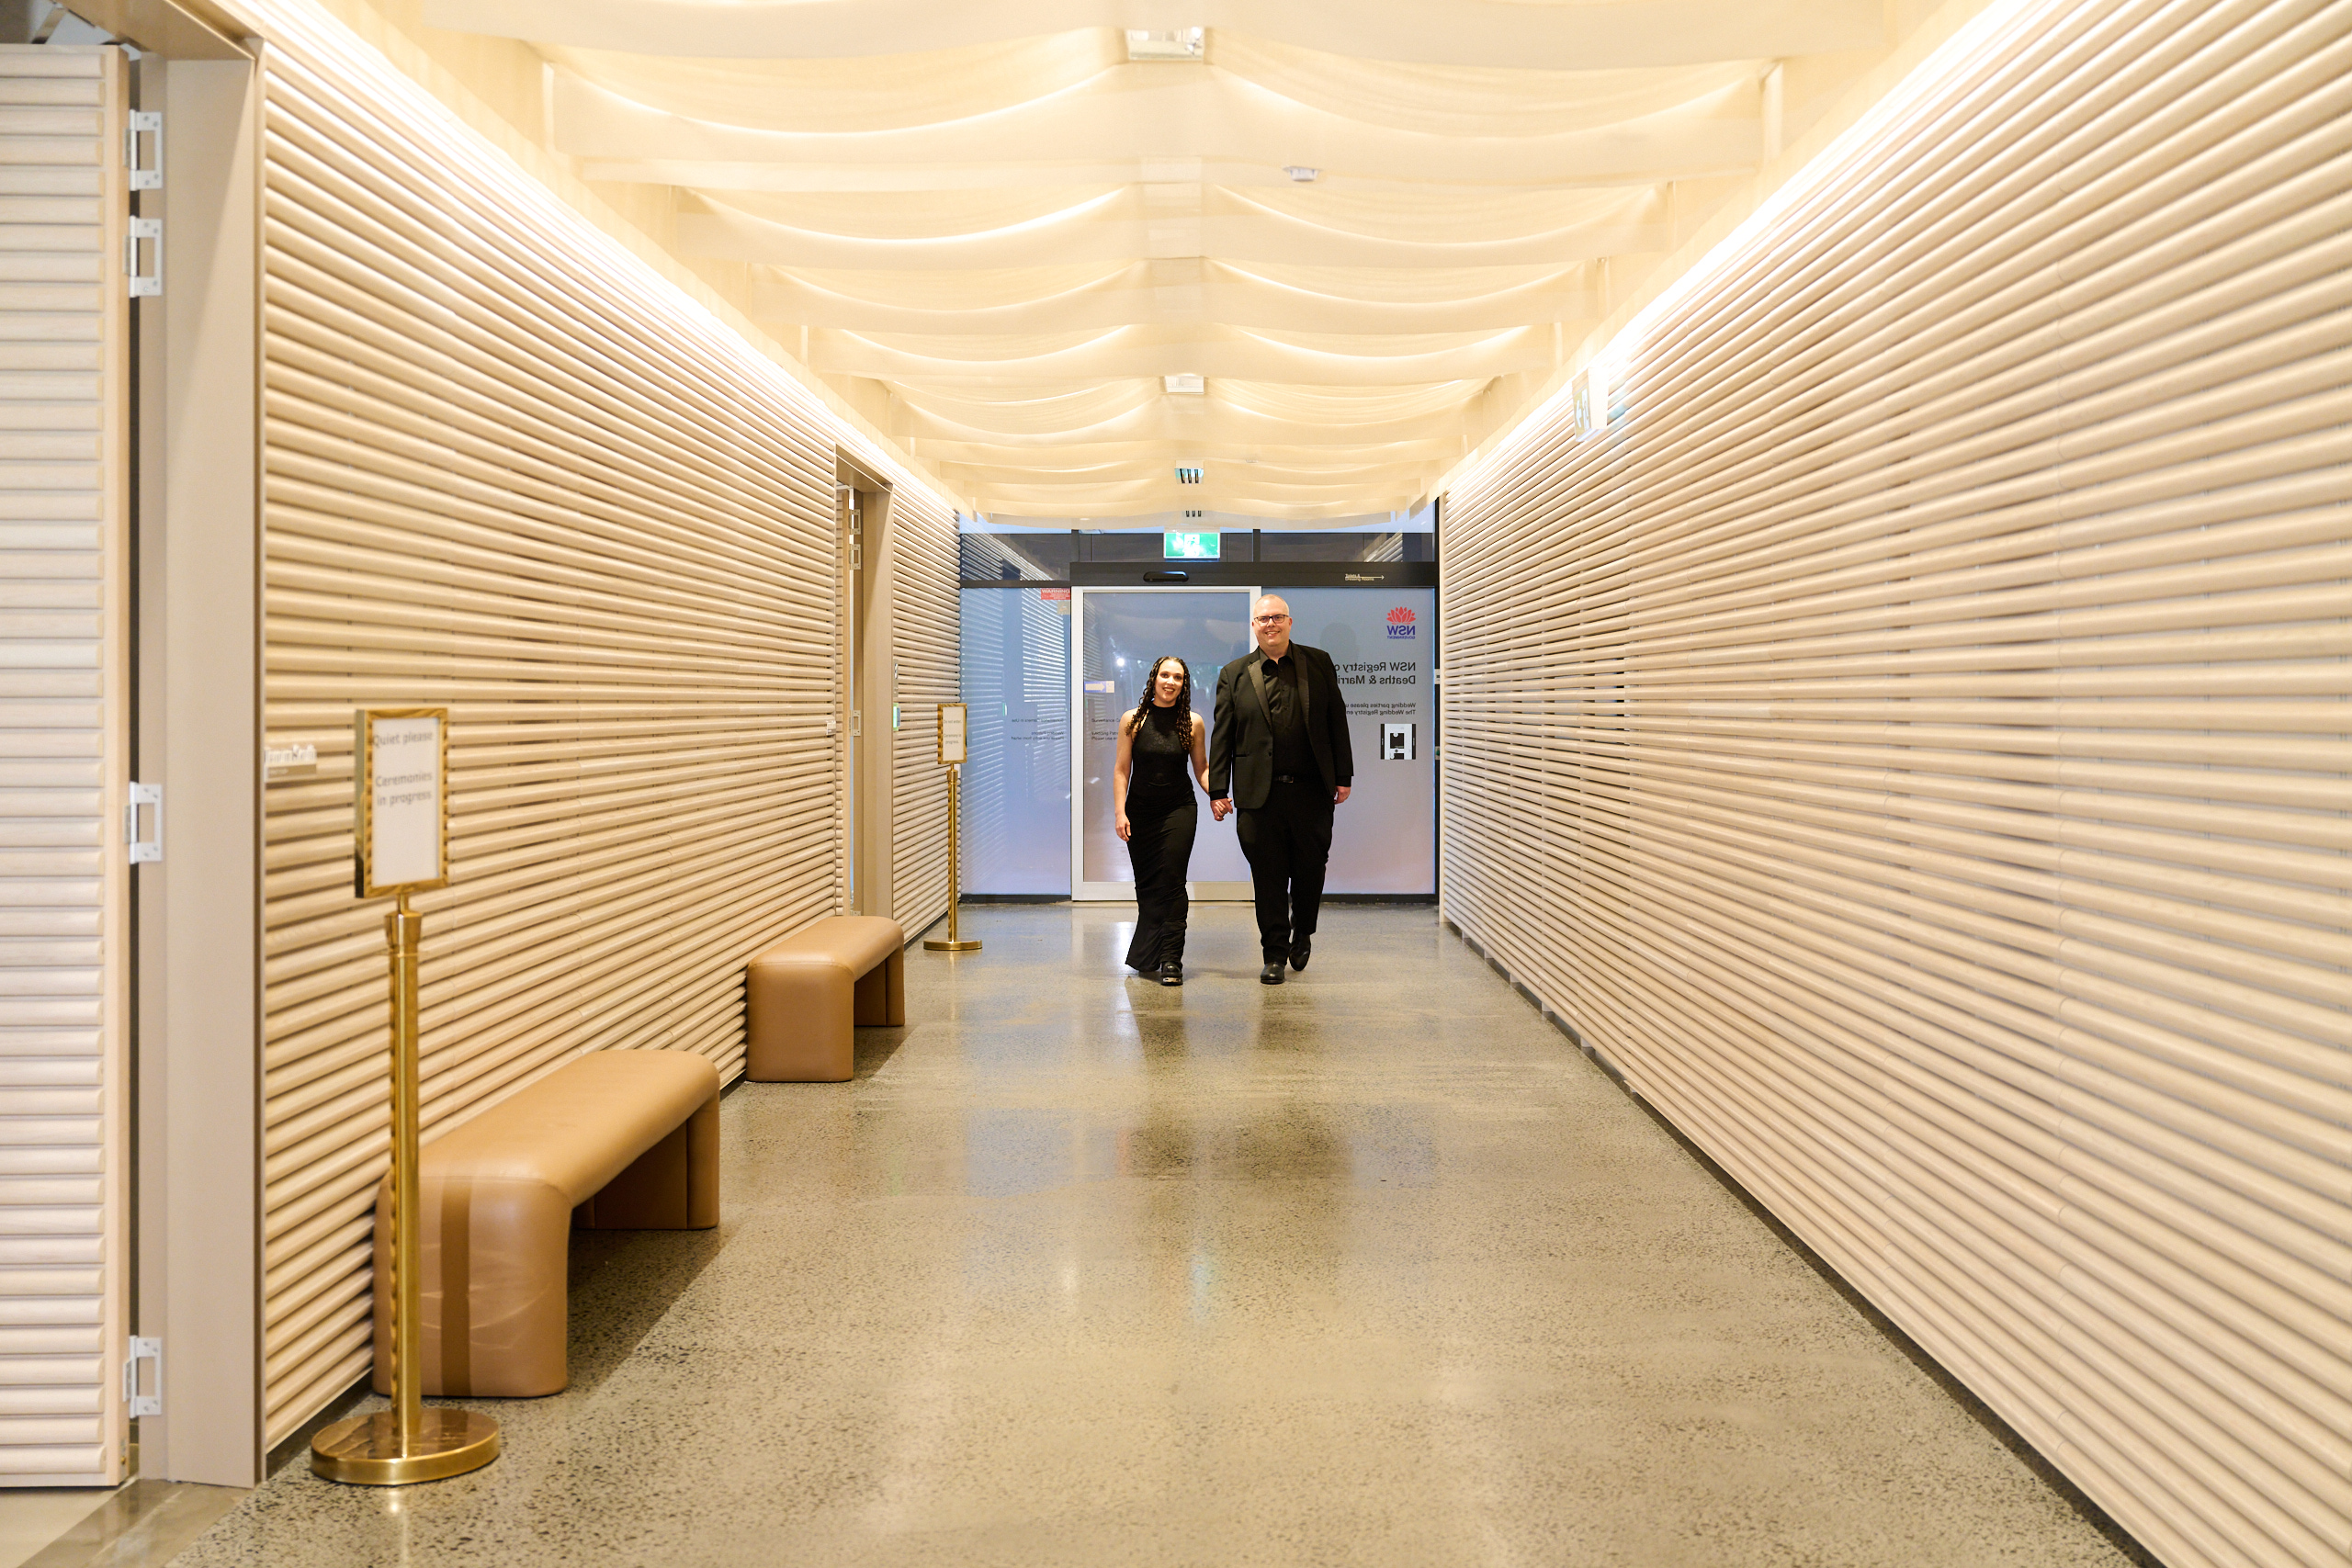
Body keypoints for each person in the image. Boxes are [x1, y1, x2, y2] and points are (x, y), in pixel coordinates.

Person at [1207, 595, 1352, 986]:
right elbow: (1222, 735)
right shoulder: (1234, 673)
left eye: (1277, 617)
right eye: (1262, 619)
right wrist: (1218, 789)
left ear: (1290, 622)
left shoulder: (1318, 663)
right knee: (1267, 876)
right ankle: (1273, 954)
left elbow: (1336, 719)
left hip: (1311, 792)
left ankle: (1302, 930)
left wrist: (1344, 776)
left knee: (1310, 869)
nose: (1270, 624)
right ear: (1253, 626)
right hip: (1258, 796)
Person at [1114, 654, 1211, 986]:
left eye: (1178, 678)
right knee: (1148, 889)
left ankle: (1171, 959)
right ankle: (1147, 953)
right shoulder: (1133, 719)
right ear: (1154, 678)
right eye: (1165, 675)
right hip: (1140, 812)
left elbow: (1202, 769)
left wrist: (1219, 794)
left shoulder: (1192, 722)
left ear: (1184, 685)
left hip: (1178, 810)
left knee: (1171, 882)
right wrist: (1119, 811)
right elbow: (1121, 770)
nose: (1170, 682)